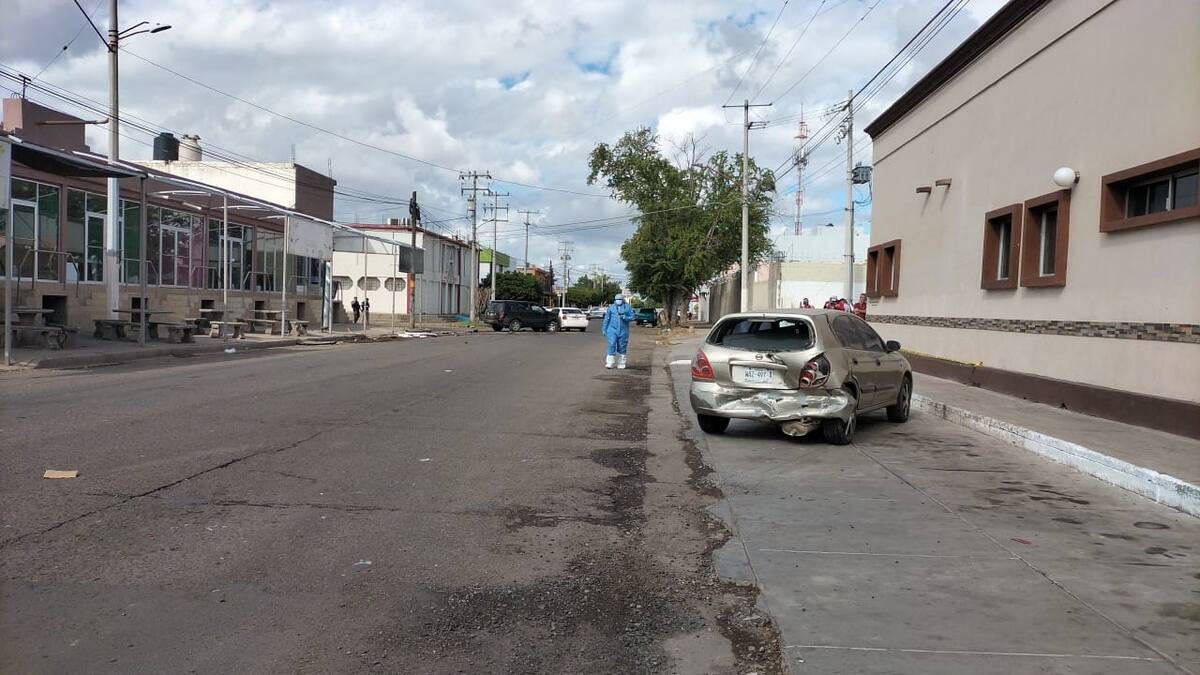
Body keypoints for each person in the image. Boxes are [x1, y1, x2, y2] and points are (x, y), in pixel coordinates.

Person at [602, 293, 636, 369]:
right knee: (611, 344)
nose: (618, 301)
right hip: (612, 330)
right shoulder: (611, 308)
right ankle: (610, 362)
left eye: (620, 299)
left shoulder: (627, 307)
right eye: (617, 299)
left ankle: (621, 363)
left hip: (623, 331)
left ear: (623, 299)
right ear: (615, 300)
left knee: (622, 346)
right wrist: (604, 329)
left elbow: (633, 317)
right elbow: (607, 319)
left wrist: (625, 317)